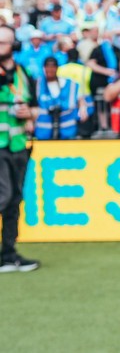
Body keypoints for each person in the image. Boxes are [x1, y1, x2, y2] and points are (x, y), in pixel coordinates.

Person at [0, 25, 38, 272]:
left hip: (18, 145)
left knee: (14, 200)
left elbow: (36, 109)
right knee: (3, 197)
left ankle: (8, 253)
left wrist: (29, 113)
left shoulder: (24, 74)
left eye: (4, 42)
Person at [34, 57, 87, 140]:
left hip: (67, 132)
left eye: (52, 67)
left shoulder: (69, 84)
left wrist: (83, 108)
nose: (50, 70)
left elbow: (80, 99)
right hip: (44, 133)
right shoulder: (38, 84)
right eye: (47, 67)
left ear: (57, 68)